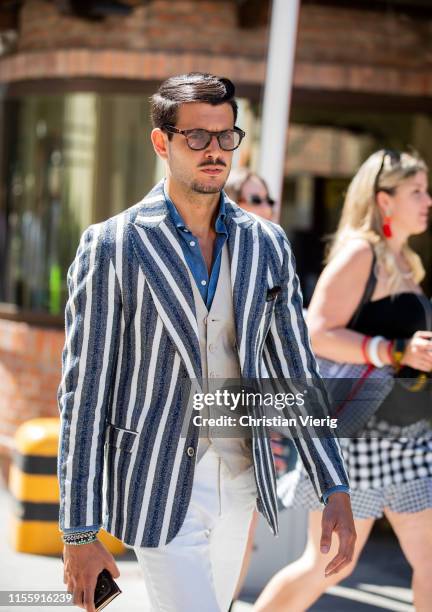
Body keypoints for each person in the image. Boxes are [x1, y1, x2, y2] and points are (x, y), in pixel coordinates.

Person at [57, 72, 355, 612]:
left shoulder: (266, 244)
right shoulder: (112, 245)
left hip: (243, 479)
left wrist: (333, 483)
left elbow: (296, 370)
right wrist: (78, 531)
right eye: (197, 137)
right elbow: (84, 393)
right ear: (161, 142)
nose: (214, 151)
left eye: (225, 136)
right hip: (157, 482)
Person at [254, 149, 432, 612]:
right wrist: (393, 351)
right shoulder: (361, 253)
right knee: (328, 562)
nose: (427, 200)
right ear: (384, 201)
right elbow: (315, 331)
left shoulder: (406, 264)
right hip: (358, 440)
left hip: (410, 440)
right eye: (416, 191)